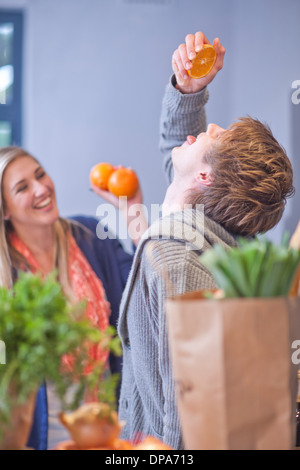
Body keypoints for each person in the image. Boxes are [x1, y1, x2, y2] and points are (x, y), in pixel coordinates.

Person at [117, 31, 294, 449]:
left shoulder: (176, 257)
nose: (207, 127)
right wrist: (190, 92)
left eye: (215, 135)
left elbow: (188, 401)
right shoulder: (206, 225)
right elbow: (179, 152)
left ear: (204, 177)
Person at [0, 146, 146, 449]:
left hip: (109, 424)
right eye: (23, 187)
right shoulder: (6, 275)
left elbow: (145, 293)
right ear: (4, 209)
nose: (41, 188)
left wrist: (134, 214)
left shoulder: (90, 235)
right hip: (44, 433)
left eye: (40, 175)